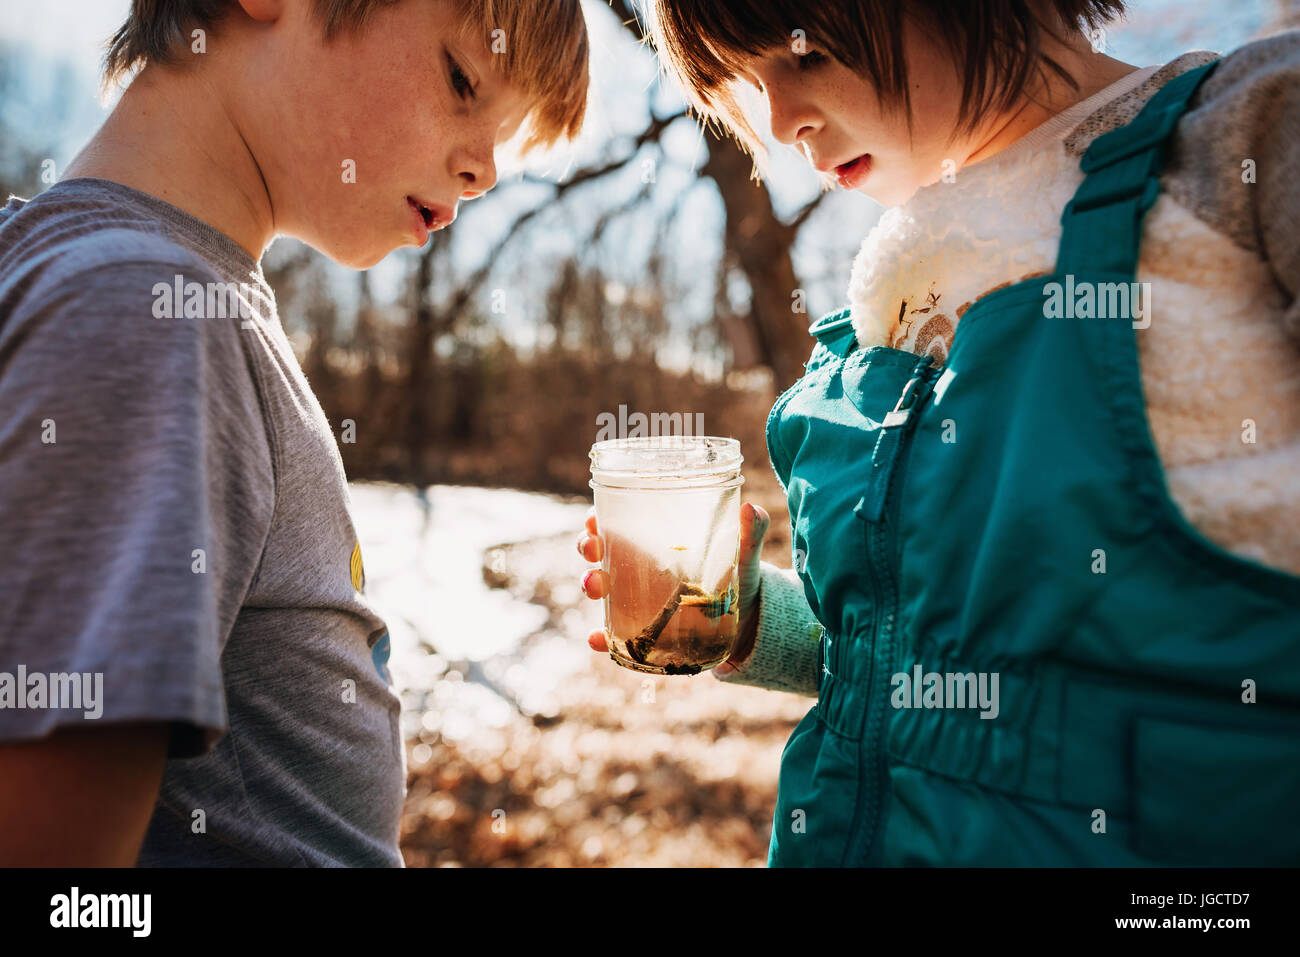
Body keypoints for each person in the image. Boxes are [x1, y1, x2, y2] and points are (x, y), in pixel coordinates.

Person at [580, 0, 1300, 865]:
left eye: (802, 57)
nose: (778, 122)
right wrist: (739, 618)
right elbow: (923, 675)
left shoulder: (1254, 129)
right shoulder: (882, 282)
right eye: (748, 81)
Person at [0, 0, 588, 867]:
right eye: (463, 79)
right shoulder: (150, 316)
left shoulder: (122, 284)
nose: (484, 172)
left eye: (503, 139)